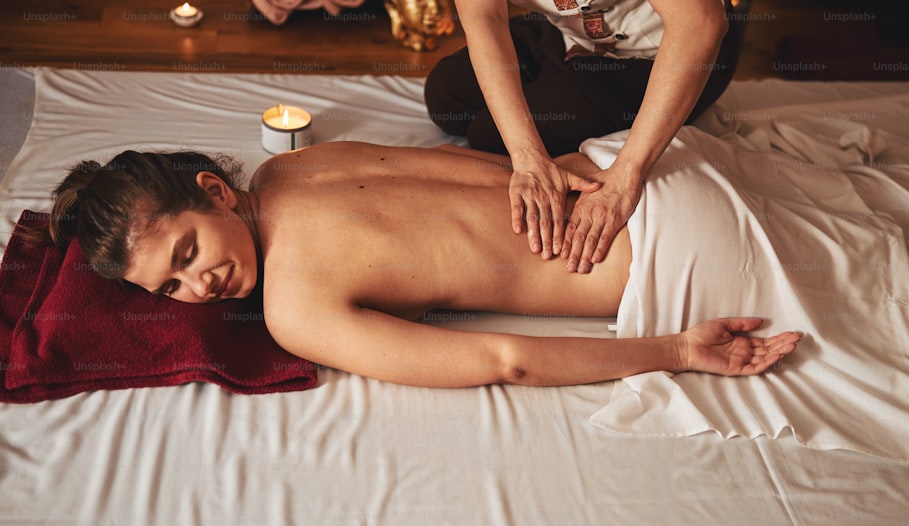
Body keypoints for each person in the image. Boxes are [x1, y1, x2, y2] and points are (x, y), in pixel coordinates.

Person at [31, 142, 800, 388]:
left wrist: (672, 350)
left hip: (662, 253)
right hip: (633, 162)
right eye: (170, 288)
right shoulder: (294, 167)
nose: (199, 287)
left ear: (214, 191)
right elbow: (469, 166)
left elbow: (502, 360)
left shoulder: (291, 310)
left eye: (188, 253)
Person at [424, 0, 748, 274]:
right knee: (448, 98)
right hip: (577, 36)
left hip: (668, 50)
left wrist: (626, 174)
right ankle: (570, 75)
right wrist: (528, 158)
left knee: (489, 134)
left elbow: (700, 22)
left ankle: (575, 85)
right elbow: (485, 17)